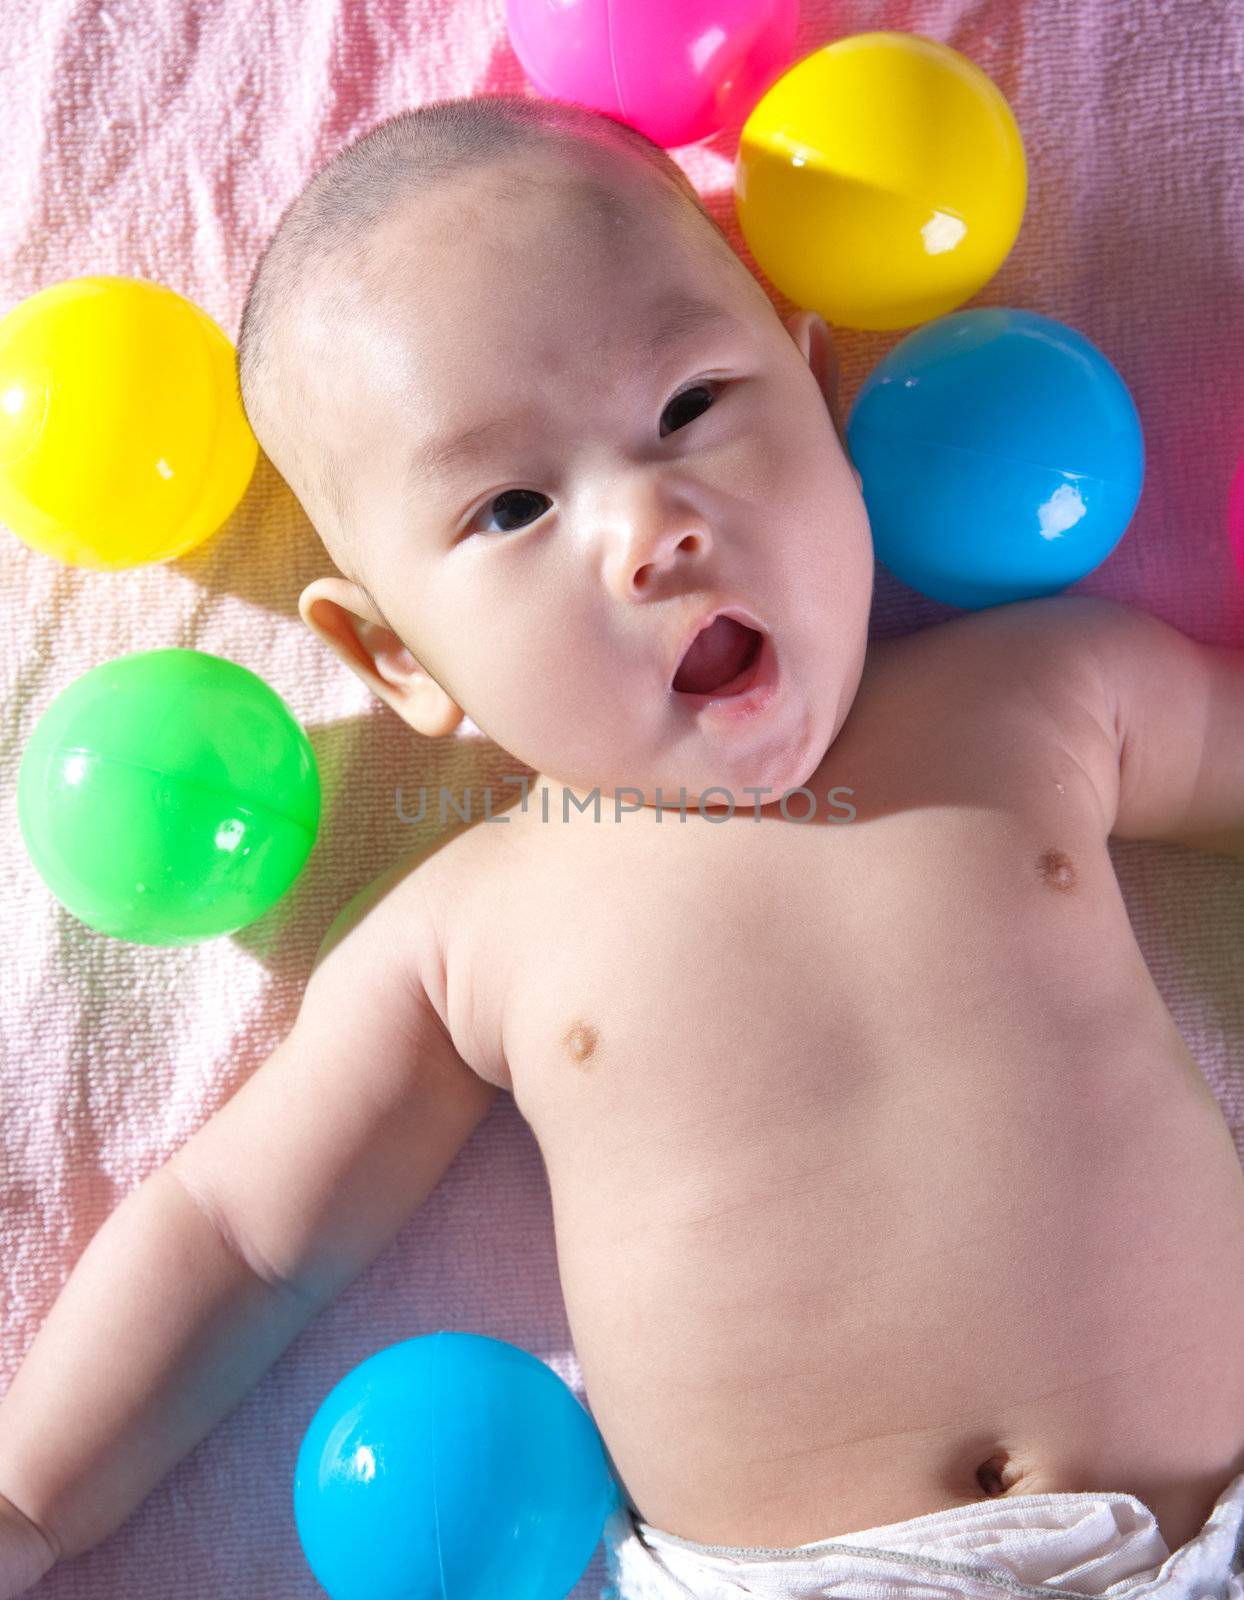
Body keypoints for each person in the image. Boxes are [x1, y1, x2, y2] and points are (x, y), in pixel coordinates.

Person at [3, 92, 1244, 1600]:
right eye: (514, 504)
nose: (652, 523)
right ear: (400, 661)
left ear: (818, 398)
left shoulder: (1048, 693)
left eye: (693, 407)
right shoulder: (473, 930)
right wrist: (30, 1500)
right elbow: (239, 1237)